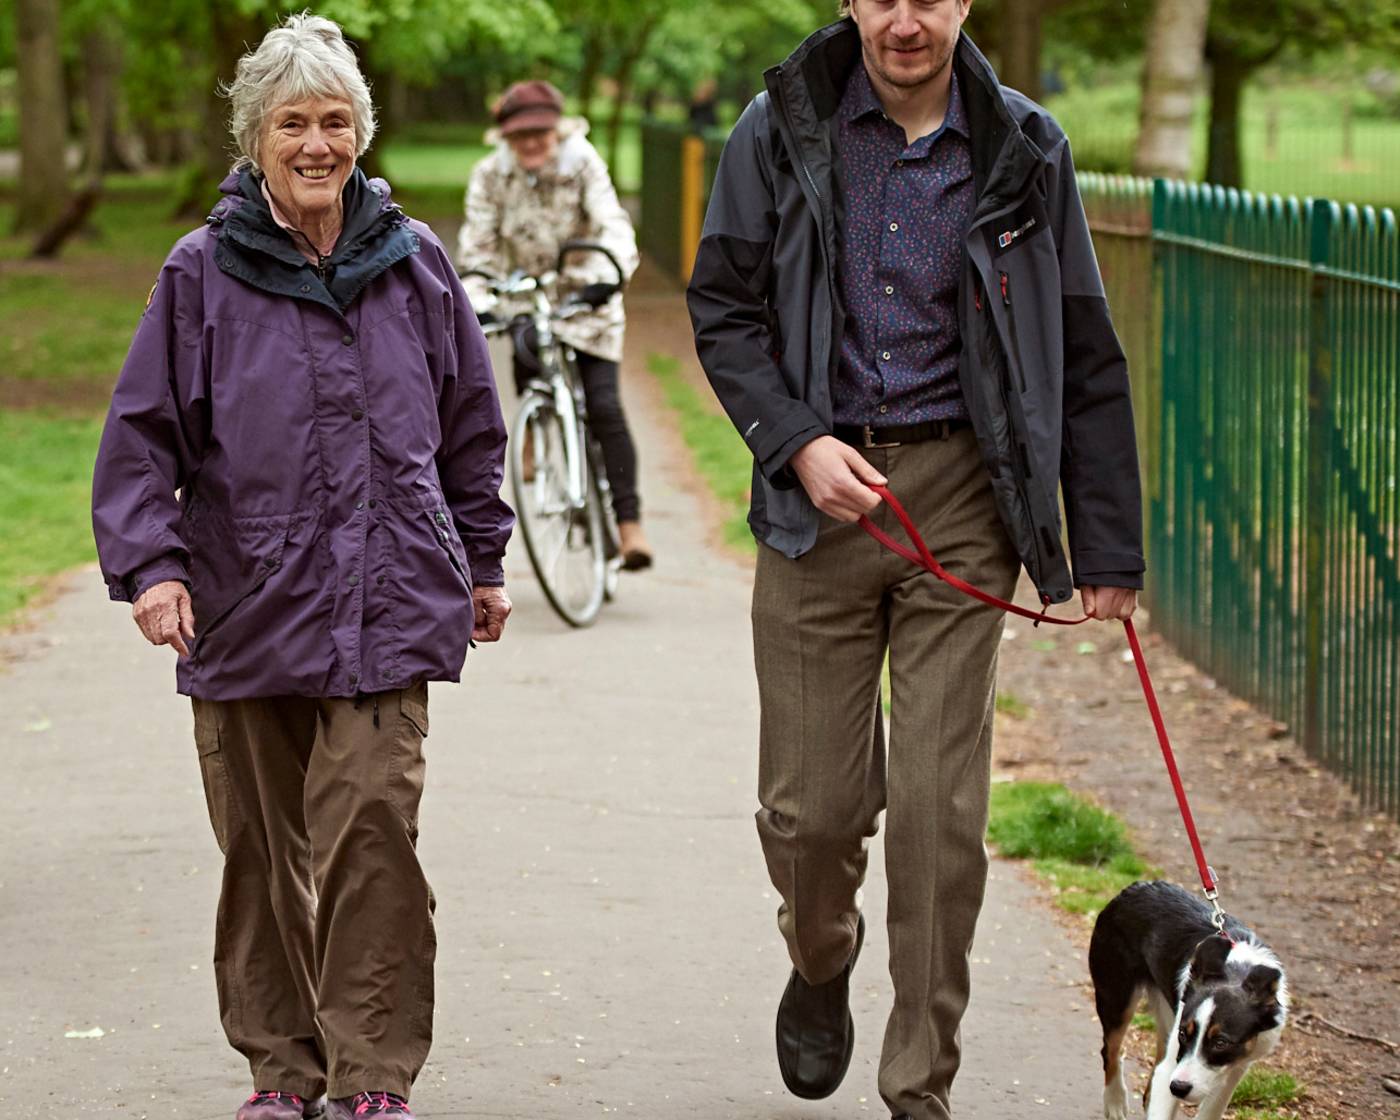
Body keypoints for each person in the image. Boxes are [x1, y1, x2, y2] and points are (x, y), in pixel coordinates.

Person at [687, 2, 1143, 1118]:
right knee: (810, 815)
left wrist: (1107, 545)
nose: (905, 18)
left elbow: (1081, 346)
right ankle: (820, 952)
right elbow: (722, 308)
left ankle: (917, 1084)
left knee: (940, 823)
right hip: (819, 505)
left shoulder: (1024, 147)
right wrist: (795, 443)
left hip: (964, 505)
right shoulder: (776, 128)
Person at [90, 14, 513, 1120]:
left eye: (335, 121)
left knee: (371, 822)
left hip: (388, 593)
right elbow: (142, 438)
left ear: (361, 134)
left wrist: (483, 556)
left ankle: (372, 1073)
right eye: (293, 123)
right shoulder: (200, 272)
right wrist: (153, 569)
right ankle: (283, 1068)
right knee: (259, 849)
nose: (317, 143)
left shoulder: (415, 264)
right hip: (243, 600)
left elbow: (470, 423)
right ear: (255, 139)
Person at [456, 80, 651, 570]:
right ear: (504, 137)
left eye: (540, 132)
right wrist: (478, 298)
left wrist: (609, 276)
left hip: (588, 295)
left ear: (557, 131)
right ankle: (536, 424)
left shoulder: (581, 163)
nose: (531, 143)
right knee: (528, 357)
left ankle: (629, 525)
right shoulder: (490, 177)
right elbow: (477, 245)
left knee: (604, 404)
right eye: (520, 134)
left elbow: (611, 222)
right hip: (528, 294)